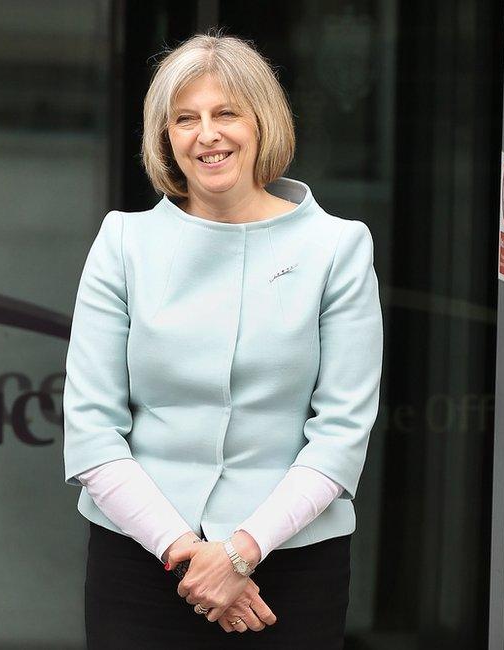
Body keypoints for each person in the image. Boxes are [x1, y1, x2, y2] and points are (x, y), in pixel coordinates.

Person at [62, 29, 383, 649]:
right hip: (143, 561)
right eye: (185, 119)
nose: (207, 134)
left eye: (225, 113)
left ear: (261, 122)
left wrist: (239, 554)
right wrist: (188, 555)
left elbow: (342, 433)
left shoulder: (338, 248)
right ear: (166, 137)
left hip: (290, 562)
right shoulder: (122, 243)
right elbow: (92, 431)